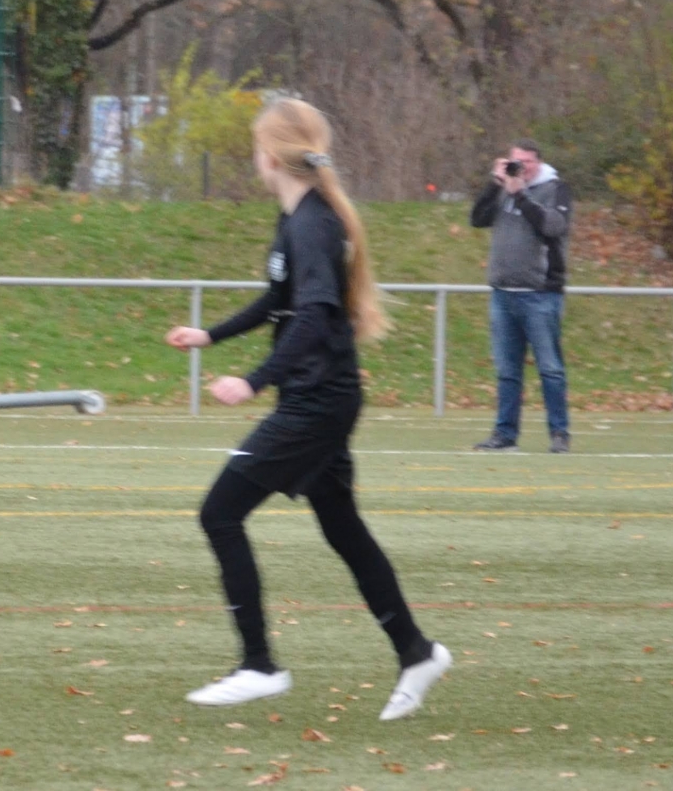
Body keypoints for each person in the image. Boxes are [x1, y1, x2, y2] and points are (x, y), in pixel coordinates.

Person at [165, 98, 452, 718]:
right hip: (323, 396)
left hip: (318, 403)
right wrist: (210, 335)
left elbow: (317, 314)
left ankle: (258, 666)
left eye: (254, 148)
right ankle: (416, 651)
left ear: (270, 155)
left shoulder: (312, 225)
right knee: (343, 528)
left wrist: (254, 381)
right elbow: (279, 301)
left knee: (220, 514)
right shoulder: (297, 218)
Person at [470, 139, 573, 453]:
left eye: (527, 162)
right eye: (516, 161)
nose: (521, 168)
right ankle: (505, 434)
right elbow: (477, 219)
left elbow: (553, 226)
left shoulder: (556, 189)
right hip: (503, 293)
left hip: (540, 294)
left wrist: (521, 195)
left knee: (550, 369)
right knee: (507, 371)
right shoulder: (504, 188)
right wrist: (496, 184)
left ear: (538, 163)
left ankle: (559, 433)